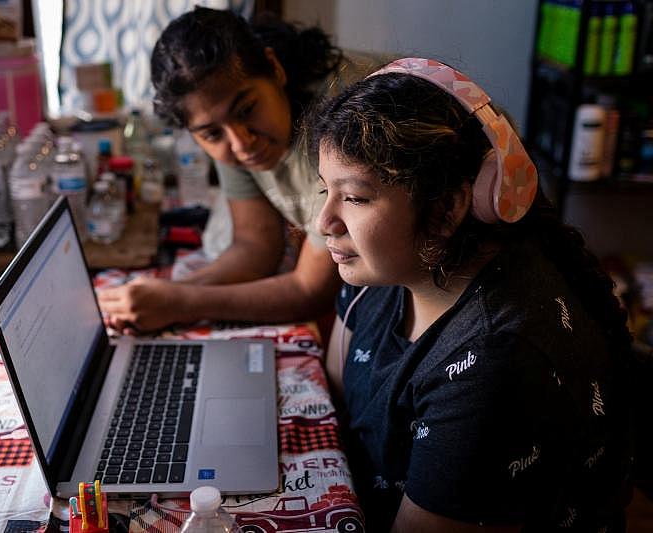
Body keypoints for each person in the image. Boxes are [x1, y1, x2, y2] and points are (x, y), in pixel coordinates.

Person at [311, 58, 632, 532]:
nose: (325, 222)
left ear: (447, 208)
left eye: (355, 197)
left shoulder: (494, 361)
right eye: (325, 190)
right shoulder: (382, 274)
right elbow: (333, 401)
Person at [98, 6, 372, 332]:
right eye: (212, 134)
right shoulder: (230, 124)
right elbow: (256, 246)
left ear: (274, 68)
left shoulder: (346, 124)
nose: (241, 143)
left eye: (246, 110)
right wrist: (168, 294)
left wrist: (181, 303)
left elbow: (310, 291)